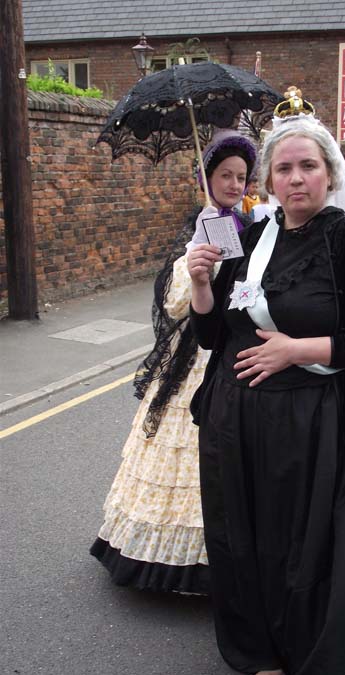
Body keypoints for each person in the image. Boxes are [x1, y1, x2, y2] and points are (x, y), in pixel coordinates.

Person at [187, 97, 345, 675]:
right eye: (283, 169)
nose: (295, 179)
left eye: (307, 166)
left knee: (304, 550)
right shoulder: (250, 237)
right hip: (238, 426)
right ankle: (262, 654)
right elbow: (214, 337)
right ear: (269, 181)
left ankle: (309, 653)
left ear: (329, 172)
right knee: (246, 541)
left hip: (317, 427)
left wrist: (296, 348)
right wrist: (203, 286)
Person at [89, 130, 257, 593]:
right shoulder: (202, 225)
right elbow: (174, 301)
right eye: (225, 175)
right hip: (196, 355)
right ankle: (173, 560)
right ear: (207, 178)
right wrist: (197, 266)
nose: (234, 183)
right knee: (184, 450)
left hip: (231, 348)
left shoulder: (247, 223)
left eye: (241, 176)